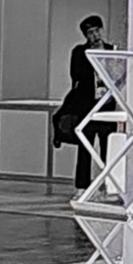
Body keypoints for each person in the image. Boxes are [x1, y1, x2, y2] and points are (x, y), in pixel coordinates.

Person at [54, 15, 110, 189]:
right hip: (87, 105)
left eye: (97, 31)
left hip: (107, 105)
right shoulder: (80, 52)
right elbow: (77, 75)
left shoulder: (111, 50)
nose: (95, 35)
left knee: (108, 147)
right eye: (90, 33)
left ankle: (109, 184)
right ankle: (82, 185)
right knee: (85, 146)